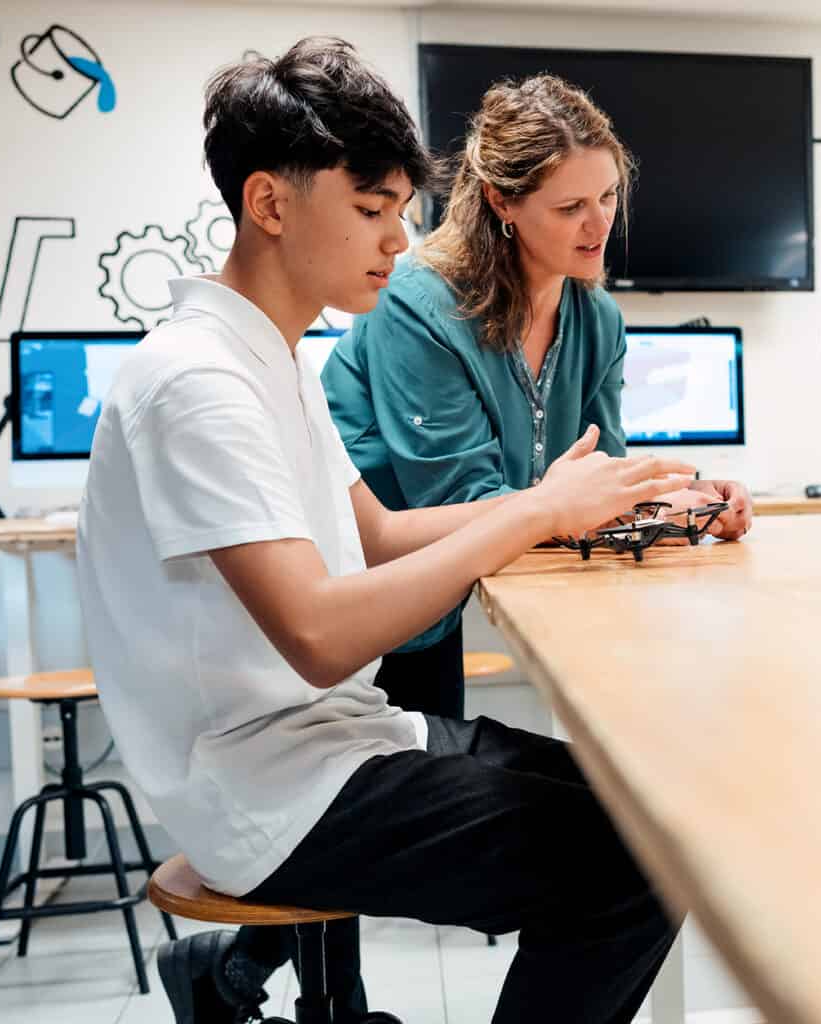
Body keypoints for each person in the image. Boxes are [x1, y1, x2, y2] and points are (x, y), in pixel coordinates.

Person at [75, 38, 688, 1024]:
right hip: (271, 787)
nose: (399, 242)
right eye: (370, 211)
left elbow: (377, 533)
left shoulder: (274, 359)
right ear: (270, 204)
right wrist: (534, 510)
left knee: (655, 812)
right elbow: (318, 636)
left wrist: (572, 500)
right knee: (635, 866)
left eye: (400, 211)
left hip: (341, 736)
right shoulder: (196, 380)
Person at [321, 73, 752, 719]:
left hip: (442, 595)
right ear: (501, 201)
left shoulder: (596, 318)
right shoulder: (415, 304)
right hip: (372, 603)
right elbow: (461, 501)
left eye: (608, 195)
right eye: (570, 206)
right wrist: (630, 507)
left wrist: (685, 502)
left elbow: (598, 476)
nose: (599, 223)